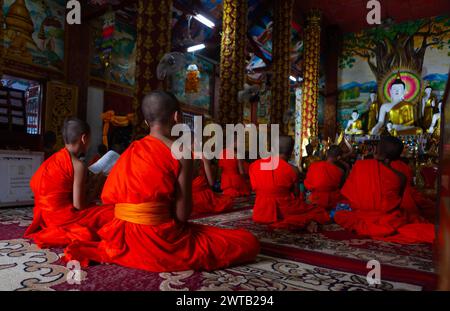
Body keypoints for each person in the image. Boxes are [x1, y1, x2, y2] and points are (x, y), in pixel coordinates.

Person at [63, 91, 259, 272]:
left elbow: (111, 198)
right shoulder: (181, 152)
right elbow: (182, 216)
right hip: (159, 239)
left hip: (121, 236)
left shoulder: (132, 150)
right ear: (177, 117)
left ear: (147, 123)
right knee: (247, 242)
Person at [25, 117, 114, 248]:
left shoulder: (53, 159)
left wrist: (90, 183)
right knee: (112, 211)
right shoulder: (78, 165)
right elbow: (79, 206)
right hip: (63, 220)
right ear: (84, 138)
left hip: (45, 216)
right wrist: (99, 184)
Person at [333, 136, 435, 244]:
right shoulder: (401, 177)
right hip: (388, 220)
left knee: (340, 215)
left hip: (362, 216)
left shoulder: (361, 166)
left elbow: (350, 196)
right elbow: (396, 204)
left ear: (378, 149)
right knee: (405, 218)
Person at [249, 136, 329, 232]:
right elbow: (296, 194)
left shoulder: (254, 165)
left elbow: (255, 187)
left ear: (272, 149)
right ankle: (301, 222)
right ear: (291, 151)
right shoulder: (292, 169)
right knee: (318, 211)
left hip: (260, 210)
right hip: (284, 209)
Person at [191, 138, 233, 216]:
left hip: (187, 196)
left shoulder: (179, 157)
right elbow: (211, 182)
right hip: (201, 194)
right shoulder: (202, 156)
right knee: (226, 201)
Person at [304, 145, 346, 211]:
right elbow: (341, 188)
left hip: (314, 200)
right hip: (332, 201)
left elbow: (307, 184)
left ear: (326, 153)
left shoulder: (313, 166)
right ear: (338, 157)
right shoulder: (340, 171)